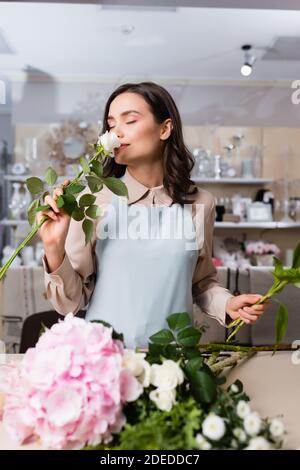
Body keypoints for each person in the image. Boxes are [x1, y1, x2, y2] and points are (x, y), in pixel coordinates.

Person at [38, 82, 268, 348]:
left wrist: (227, 303)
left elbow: (201, 283)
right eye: (111, 124)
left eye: (130, 120)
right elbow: (71, 302)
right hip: (107, 361)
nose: (117, 132)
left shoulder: (200, 203)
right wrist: (54, 248)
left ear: (165, 128)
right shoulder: (92, 202)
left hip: (175, 364)